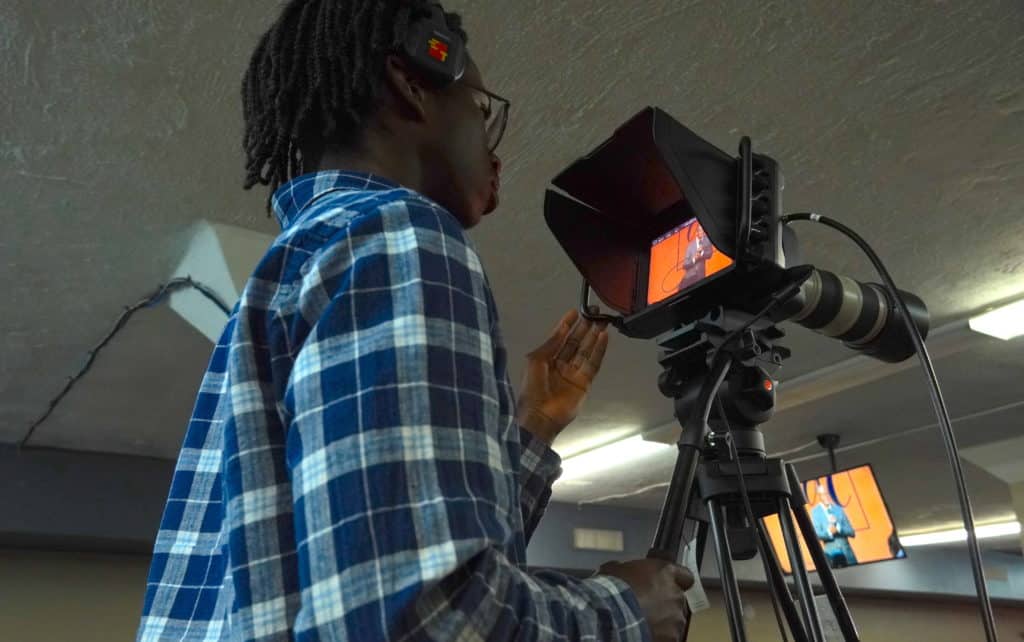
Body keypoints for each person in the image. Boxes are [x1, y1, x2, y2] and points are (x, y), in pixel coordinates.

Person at [137, 2, 693, 641]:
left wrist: (537, 425)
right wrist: (623, 609)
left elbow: (382, 553)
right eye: (482, 110)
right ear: (410, 83)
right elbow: (414, 618)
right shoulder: (402, 237)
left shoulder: (286, 274)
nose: (496, 153)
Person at [810, 483, 858, 569]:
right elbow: (816, 535)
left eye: (827, 494)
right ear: (819, 496)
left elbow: (852, 532)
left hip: (848, 557)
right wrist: (829, 532)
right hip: (831, 557)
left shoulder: (838, 509)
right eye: (823, 494)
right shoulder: (815, 512)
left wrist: (839, 529)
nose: (826, 496)